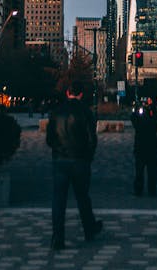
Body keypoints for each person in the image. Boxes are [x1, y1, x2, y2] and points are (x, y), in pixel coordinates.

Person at [46, 81, 102, 251]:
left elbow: (49, 139)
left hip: (60, 160)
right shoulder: (86, 112)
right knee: (83, 197)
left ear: (67, 93)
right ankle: (89, 229)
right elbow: (92, 140)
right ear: (81, 95)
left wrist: (58, 150)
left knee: (58, 200)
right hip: (80, 160)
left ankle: (57, 237)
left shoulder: (56, 112)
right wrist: (88, 157)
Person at [131, 96, 157, 197]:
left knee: (139, 171)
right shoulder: (153, 118)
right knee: (152, 171)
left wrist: (137, 107)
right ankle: (152, 190)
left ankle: (138, 189)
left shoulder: (139, 121)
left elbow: (133, 118)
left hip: (140, 146)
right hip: (151, 146)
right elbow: (156, 118)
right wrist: (152, 107)